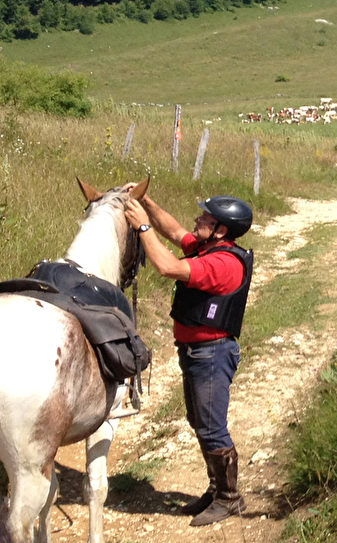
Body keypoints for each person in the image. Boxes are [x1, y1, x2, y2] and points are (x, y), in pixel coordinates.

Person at [123, 189, 254, 527]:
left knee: (212, 429)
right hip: (198, 353)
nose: (197, 221)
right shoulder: (210, 246)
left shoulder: (222, 263)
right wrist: (148, 204)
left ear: (221, 229)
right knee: (200, 424)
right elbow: (174, 231)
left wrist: (141, 228)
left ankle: (229, 498)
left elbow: (167, 266)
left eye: (205, 218)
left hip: (211, 355)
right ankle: (216, 489)